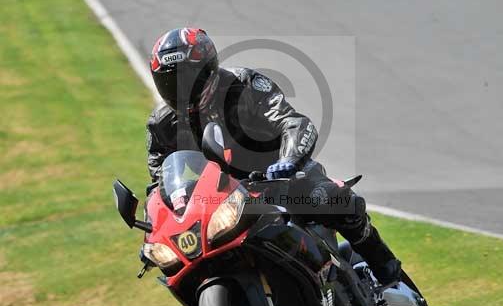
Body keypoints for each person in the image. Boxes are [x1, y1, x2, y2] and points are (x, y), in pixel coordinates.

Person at [146, 27, 401, 285]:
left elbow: (294, 123)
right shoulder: (162, 124)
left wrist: (288, 161)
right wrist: (158, 227)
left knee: (336, 201)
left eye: (188, 79)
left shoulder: (243, 86)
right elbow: (161, 181)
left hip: (280, 180)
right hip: (223, 203)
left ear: (208, 69)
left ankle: (386, 269)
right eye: (171, 82)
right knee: (181, 266)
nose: (182, 90)